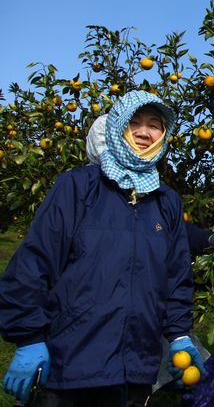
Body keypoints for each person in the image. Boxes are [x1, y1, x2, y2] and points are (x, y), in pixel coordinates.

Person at [0, 90, 203, 406]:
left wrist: (178, 336)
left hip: (136, 372)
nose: (145, 132)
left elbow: (176, 279)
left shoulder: (167, 202)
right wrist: (28, 338)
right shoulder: (79, 186)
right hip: (70, 366)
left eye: (155, 125)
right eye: (135, 122)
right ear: (117, 126)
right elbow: (34, 263)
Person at [86, 114, 214, 407]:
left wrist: (213, 240)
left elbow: (178, 237)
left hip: (151, 319)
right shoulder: (83, 191)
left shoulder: (155, 198)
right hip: (93, 334)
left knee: (200, 377)